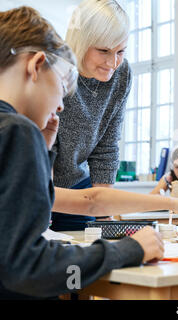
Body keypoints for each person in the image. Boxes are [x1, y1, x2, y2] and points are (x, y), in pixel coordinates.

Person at [0, 6, 178, 299]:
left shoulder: (16, 133)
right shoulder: (18, 132)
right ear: (36, 65)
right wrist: (128, 250)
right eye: (62, 85)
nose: (60, 105)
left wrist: (40, 153)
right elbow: (30, 270)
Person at [51, 0, 133, 231]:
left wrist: (103, 210)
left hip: (81, 186)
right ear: (82, 41)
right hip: (40, 182)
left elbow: (107, 145)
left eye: (120, 51)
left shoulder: (122, 74)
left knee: (84, 252)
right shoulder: (55, 68)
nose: (113, 62)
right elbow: (42, 145)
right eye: (104, 51)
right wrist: (41, 205)